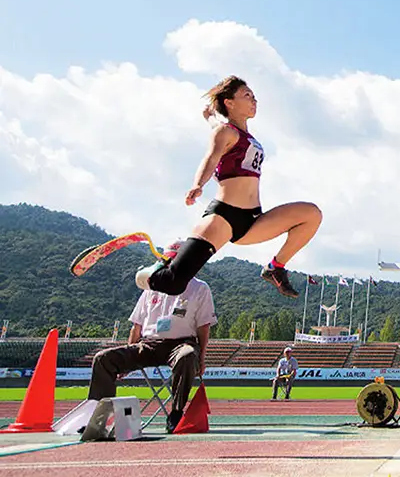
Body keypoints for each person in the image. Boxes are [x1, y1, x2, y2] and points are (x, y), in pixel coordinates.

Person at [135, 75, 323, 298]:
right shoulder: (225, 132)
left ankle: (275, 268)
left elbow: (217, 125)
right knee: (173, 284)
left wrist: (209, 117)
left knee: (311, 214)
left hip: (253, 220)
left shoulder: (238, 134)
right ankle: (150, 272)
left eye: (254, 96)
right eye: (247, 95)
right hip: (224, 216)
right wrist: (198, 184)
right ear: (229, 103)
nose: (254, 100)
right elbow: (211, 157)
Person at [87, 239, 217, 433]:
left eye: (174, 261)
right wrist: (130, 350)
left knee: (187, 356)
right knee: (103, 359)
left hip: (181, 344)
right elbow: (137, 325)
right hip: (149, 344)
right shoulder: (152, 286)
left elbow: (203, 326)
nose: (169, 265)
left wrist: (202, 358)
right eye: (167, 261)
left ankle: (176, 412)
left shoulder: (200, 288)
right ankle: (100, 417)